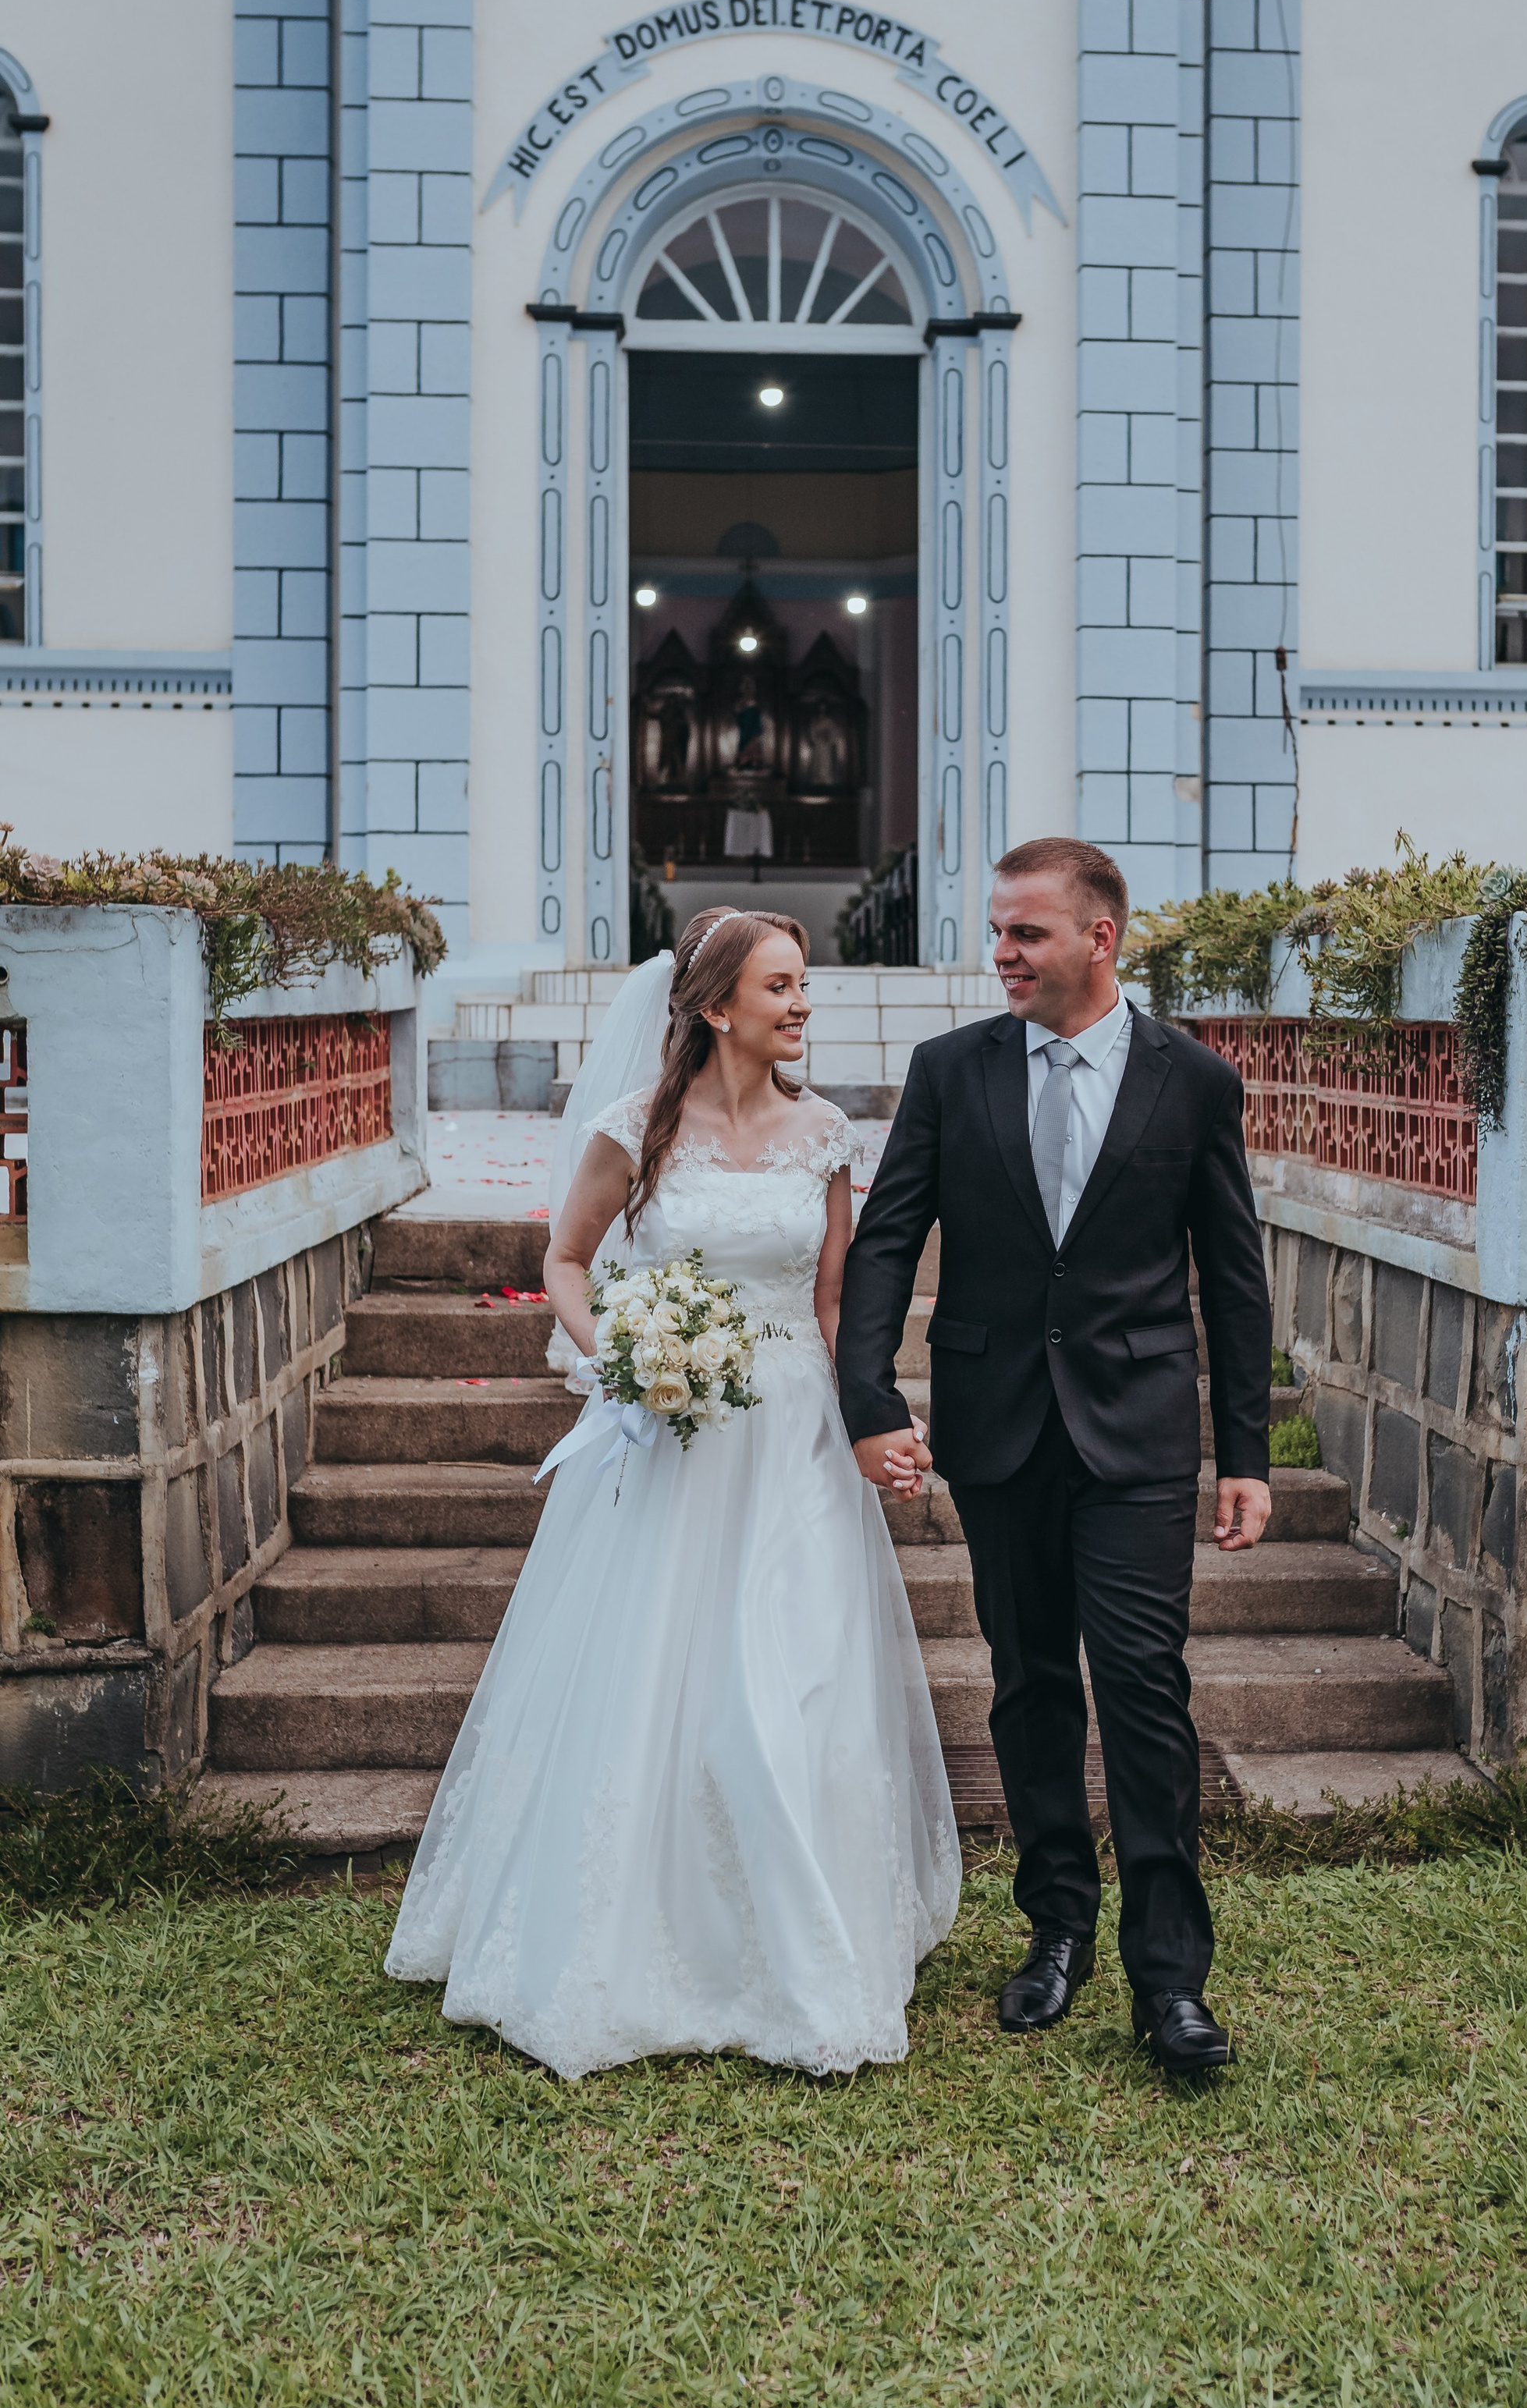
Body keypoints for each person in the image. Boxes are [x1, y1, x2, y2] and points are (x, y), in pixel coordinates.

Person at [385, 909, 961, 2079]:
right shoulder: (631, 1131)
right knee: (655, 1672)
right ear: (716, 1006)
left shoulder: (825, 1137)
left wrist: (877, 1417)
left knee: (791, 1673)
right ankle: (636, 1936)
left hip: (794, 1431)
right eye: (783, 988)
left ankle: (813, 1940)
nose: (803, 1007)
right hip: (670, 1437)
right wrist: (621, 1359)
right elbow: (566, 1259)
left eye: (804, 988)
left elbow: (841, 1304)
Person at [836, 838, 1273, 2076]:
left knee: (1143, 1686)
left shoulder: (1194, 1081)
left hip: (1137, 1429)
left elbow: (1232, 1278)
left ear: (1101, 939)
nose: (1003, 953)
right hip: (999, 1423)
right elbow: (886, 1243)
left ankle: (1170, 1980)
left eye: (1027, 932)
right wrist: (869, 1395)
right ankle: (1056, 1931)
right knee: (1029, 1684)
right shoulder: (949, 1070)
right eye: (998, 930)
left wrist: (1241, 1447)